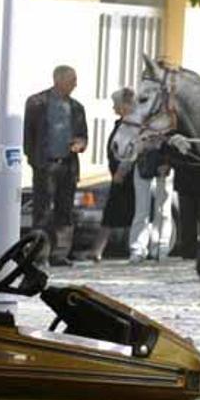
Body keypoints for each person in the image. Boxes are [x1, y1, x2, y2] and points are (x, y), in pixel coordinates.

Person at [23, 65, 88, 266]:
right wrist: (34, 160)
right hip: (45, 165)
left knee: (65, 210)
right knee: (41, 211)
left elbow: (83, 136)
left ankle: (60, 254)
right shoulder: (37, 103)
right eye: (72, 80)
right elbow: (28, 134)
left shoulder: (77, 107)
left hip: (68, 166)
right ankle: (40, 253)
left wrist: (80, 144)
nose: (75, 84)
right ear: (58, 80)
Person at [88, 88, 137, 263]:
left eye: (116, 104)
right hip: (118, 174)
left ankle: (131, 249)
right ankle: (98, 250)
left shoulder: (133, 126)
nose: (114, 108)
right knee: (111, 213)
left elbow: (131, 151)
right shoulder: (120, 124)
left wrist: (121, 171)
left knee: (131, 212)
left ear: (125, 106)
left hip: (127, 176)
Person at [165, 136, 200, 259]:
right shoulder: (178, 130)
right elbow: (170, 153)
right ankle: (189, 251)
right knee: (187, 218)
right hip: (185, 180)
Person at [130, 144, 170, 263]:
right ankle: (137, 248)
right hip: (143, 161)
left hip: (164, 161)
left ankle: (160, 247)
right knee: (141, 210)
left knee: (163, 209)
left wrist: (168, 161)